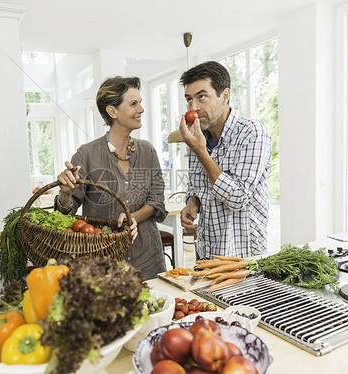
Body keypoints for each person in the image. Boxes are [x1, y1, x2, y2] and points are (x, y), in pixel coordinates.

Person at [56, 76, 168, 279]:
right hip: (103, 262)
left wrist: (132, 217)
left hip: (148, 257)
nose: (141, 109)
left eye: (140, 103)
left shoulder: (147, 151)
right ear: (112, 111)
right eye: (134, 104)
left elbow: (157, 202)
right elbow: (65, 212)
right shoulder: (86, 154)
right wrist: (66, 193)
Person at [178, 61, 273, 259]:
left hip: (242, 259)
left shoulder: (253, 133)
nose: (193, 107)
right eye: (189, 99)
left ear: (225, 95)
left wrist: (201, 152)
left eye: (201, 97)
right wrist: (192, 204)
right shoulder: (199, 136)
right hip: (206, 256)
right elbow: (197, 187)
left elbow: (238, 197)